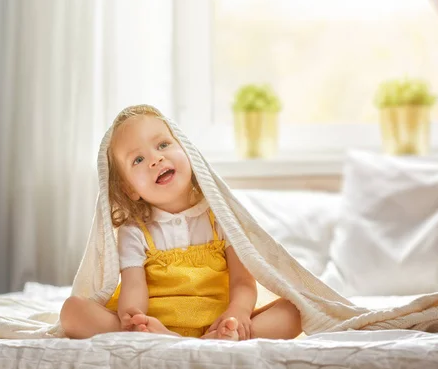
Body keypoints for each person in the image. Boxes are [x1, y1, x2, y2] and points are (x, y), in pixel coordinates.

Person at [59, 105, 303, 340]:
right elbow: (134, 286)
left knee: (294, 311)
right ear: (129, 189)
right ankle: (158, 338)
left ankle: (221, 337)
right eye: (138, 160)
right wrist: (134, 317)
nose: (156, 159)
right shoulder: (134, 230)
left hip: (219, 321)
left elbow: (243, 281)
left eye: (163, 144)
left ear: (187, 151)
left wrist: (237, 313)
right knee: (72, 311)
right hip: (156, 324)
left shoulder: (221, 217)